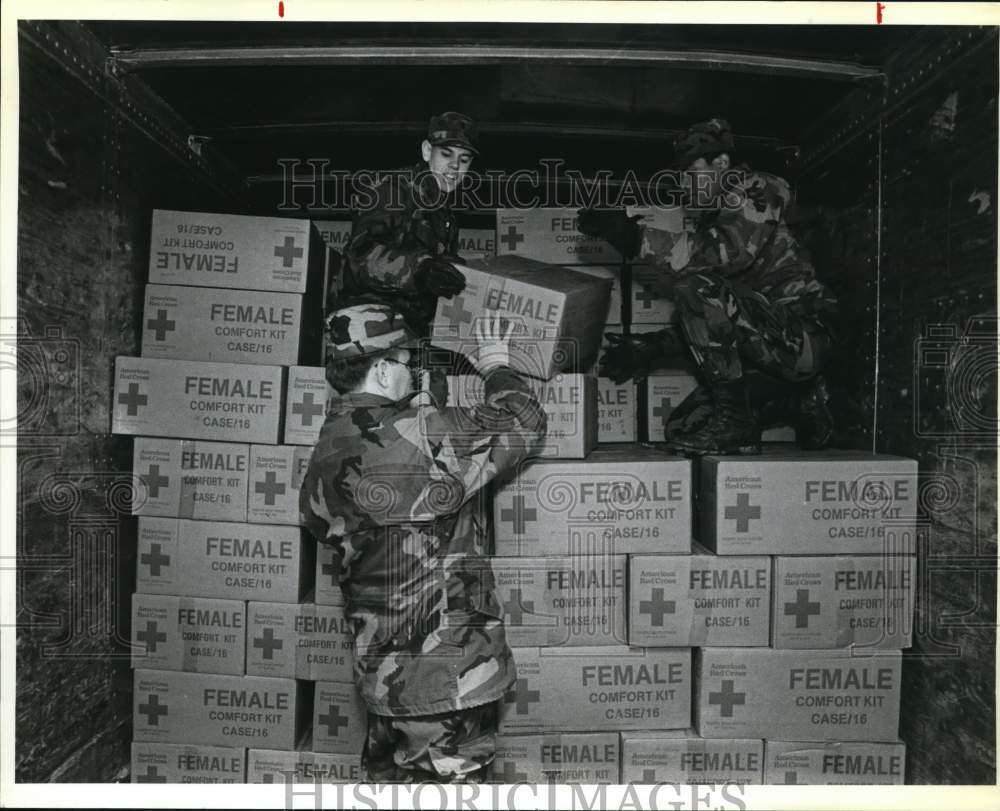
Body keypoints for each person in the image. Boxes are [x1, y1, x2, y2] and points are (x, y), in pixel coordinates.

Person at [299, 302, 547, 783]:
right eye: (406, 364)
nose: (412, 372)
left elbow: (316, 522)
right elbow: (525, 419)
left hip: (382, 675)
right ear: (383, 368)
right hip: (442, 675)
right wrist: (496, 365)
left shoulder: (327, 448)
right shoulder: (421, 438)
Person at [578, 118, 837, 455]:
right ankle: (794, 403)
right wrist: (650, 346)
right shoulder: (715, 218)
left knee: (694, 285)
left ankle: (738, 424)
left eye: (691, 172)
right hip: (764, 354)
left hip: (803, 338)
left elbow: (724, 257)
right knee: (683, 428)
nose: (684, 184)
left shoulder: (760, 187)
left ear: (722, 164)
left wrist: (635, 237)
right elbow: (719, 322)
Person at [338, 111, 478, 334]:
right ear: (426, 151)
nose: (454, 166)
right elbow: (360, 257)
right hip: (366, 320)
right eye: (446, 154)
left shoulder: (446, 215)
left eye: (464, 159)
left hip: (412, 323)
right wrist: (421, 269)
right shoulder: (391, 190)